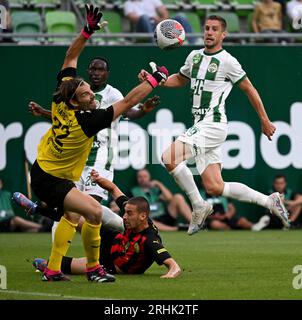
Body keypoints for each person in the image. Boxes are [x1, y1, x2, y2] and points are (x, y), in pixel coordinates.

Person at [12, 4, 169, 282]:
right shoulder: (87, 121)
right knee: (94, 212)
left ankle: (52, 268)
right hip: (53, 178)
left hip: (46, 171)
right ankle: (95, 269)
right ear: (77, 101)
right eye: (86, 94)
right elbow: (129, 101)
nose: (92, 95)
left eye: (89, 89)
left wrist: (86, 31)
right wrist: (156, 79)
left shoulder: (61, 98)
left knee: (73, 216)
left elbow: (70, 55)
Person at [138, 14, 290, 236]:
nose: (209, 32)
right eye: (207, 28)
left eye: (214, 29)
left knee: (169, 157)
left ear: (223, 34)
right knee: (215, 186)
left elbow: (250, 89)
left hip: (213, 124)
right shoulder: (194, 56)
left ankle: (199, 205)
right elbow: (180, 79)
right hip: (202, 124)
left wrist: (264, 120)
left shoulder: (228, 61)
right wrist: (154, 80)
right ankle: (269, 201)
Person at [28, 56, 161, 238]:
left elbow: (127, 109)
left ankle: (99, 246)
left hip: (100, 159)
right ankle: (58, 262)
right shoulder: (76, 92)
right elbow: (67, 120)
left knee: (88, 210)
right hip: (76, 159)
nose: (96, 73)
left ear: (107, 73)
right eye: (93, 69)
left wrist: (143, 110)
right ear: (88, 71)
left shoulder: (112, 94)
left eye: (100, 70)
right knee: (73, 211)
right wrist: (44, 112)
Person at [33, 170, 181, 278]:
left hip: (110, 265)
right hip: (115, 240)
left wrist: (171, 274)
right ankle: (39, 209)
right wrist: (99, 180)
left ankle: (48, 263)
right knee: (76, 216)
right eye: (125, 212)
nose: (124, 216)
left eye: (129, 214)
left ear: (143, 216)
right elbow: (113, 189)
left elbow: (174, 266)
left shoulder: (150, 240)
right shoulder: (136, 213)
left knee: (65, 265)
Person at [124, 0, 196, 44]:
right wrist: (150, 18)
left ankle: (193, 42)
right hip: (141, 28)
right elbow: (132, 18)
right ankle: (154, 44)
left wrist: (161, 20)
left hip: (157, 24)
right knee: (144, 18)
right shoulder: (128, 3)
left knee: (180, 16)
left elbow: (164, 12)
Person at [199, 189, 270, 231]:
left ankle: (255, 227)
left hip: (226, 216)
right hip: (212, 218)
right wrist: (213, 216)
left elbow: (231, 208)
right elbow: (200, 210)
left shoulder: (222, 193)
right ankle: (229, 229)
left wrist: (228, 215)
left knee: (242, 221)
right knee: (216, 224)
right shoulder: (201, 194)